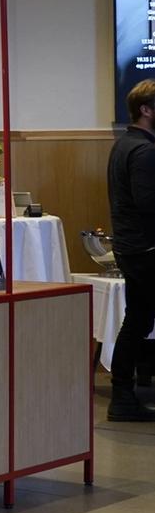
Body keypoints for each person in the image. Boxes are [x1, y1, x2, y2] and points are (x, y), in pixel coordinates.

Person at [106, 80, 155, 421]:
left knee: (137, 320)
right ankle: (122, 395)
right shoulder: (144, 151)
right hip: (147, 248)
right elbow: (148, 202)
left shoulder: (124, 144)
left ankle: (122, 394)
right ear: (146, 110)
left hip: (131, 247)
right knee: (138, 320)